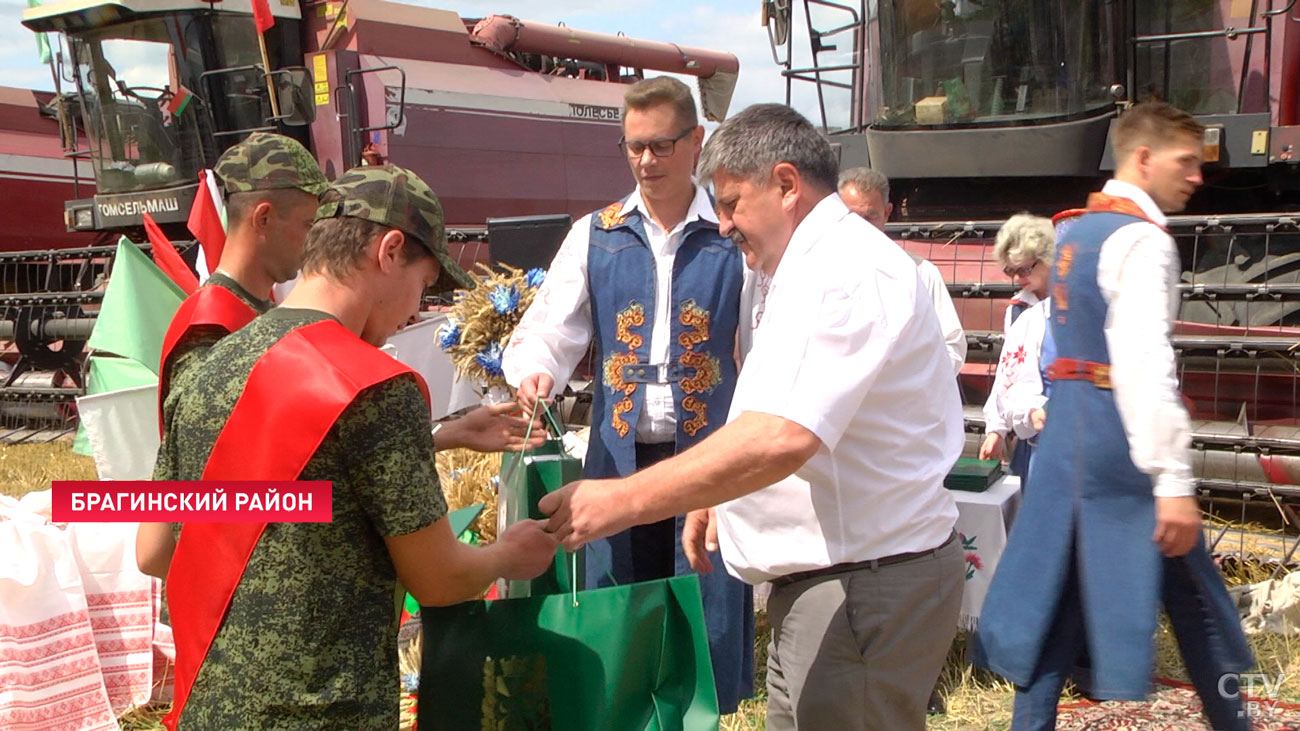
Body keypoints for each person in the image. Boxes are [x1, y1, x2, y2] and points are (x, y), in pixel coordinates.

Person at [538, 103, 966, 731]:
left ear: (788, 186)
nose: (727, 224)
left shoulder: (844, 273)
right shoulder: (807, 267)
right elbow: (773, 408)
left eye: (734, 203)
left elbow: (782, 436)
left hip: (863, 584)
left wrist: (621, 501)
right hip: (837, 582)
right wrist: (721, 496)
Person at [137, 166, 559, 730]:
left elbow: (156, 550)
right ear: (388, 251)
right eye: (423, 284)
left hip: (209, 704)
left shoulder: (211, 367)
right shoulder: (377, 385)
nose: (414, 310)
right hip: (325, 711)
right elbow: (438, 580)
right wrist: (509, 554)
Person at [974, 102, 1254, 731]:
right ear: (1144, 158)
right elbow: (1143, 361)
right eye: (1187, 161)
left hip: (1068, 435)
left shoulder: (1075, 231)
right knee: (1202, 609)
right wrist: (1174, 481)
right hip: (1116, 437)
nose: (1197, 176)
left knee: (1057, 604)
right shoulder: (1143, 241)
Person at [502, 76, 754, 713]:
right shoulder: (598, 232)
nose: (646, 161)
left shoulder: (732, 235)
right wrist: (537, 373)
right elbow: (549, 328)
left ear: (696, 142)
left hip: (706, 454)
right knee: (621, 610)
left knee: (703, 612)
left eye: (662, 145)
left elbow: (760, 346)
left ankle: (703, 718)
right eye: (634, 146)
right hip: (618, 458)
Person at [157, 132, 326, 424]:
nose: (314, 241)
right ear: (264, 218)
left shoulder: (254, 311)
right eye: (308, 224)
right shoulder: (209, 327)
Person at [838, 167, 967, 376]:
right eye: (852, 217)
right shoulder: (812, 270)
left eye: (870, 217)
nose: (861, 226)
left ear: (887, 212)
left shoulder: (922, 274)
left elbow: (951, 347)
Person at [978, 213, 1055, 474]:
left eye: (1025, 268)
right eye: (1011, 270)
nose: (1019, 277)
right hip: (1030, 432)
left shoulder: (1069, 305)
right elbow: (1007, 373)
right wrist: (996, 429)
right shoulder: (1018, 309)